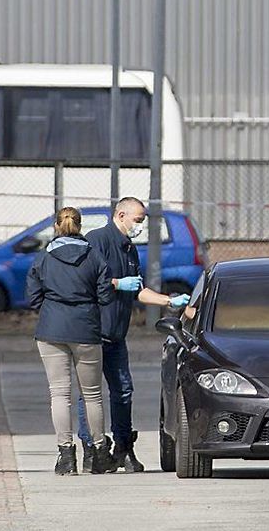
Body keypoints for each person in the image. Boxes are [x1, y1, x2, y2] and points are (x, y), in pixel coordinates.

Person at [75, 197, 190, 473]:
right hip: (93, 332)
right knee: (89, 394)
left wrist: (168, 301)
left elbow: (137, 288)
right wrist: (117, 283)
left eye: (142, 221)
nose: (140, 226)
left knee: (123, 390)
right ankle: (92, 449)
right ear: (121, 214)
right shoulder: (97, 240)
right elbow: (88, 280)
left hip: (116, 333)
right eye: (137, 220)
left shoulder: (129, 248)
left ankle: (123, 446)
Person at [25, 206, 119, 475]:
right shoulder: (95, 257)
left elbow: (32, 298)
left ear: (57, 226)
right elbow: (105, 296)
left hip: (51, 329)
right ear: (80, 226)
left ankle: (66, 456)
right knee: (92, 395)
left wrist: (52, 306)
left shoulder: (43, 258)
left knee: (59, 394)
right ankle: (99, 453)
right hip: (86, 329)